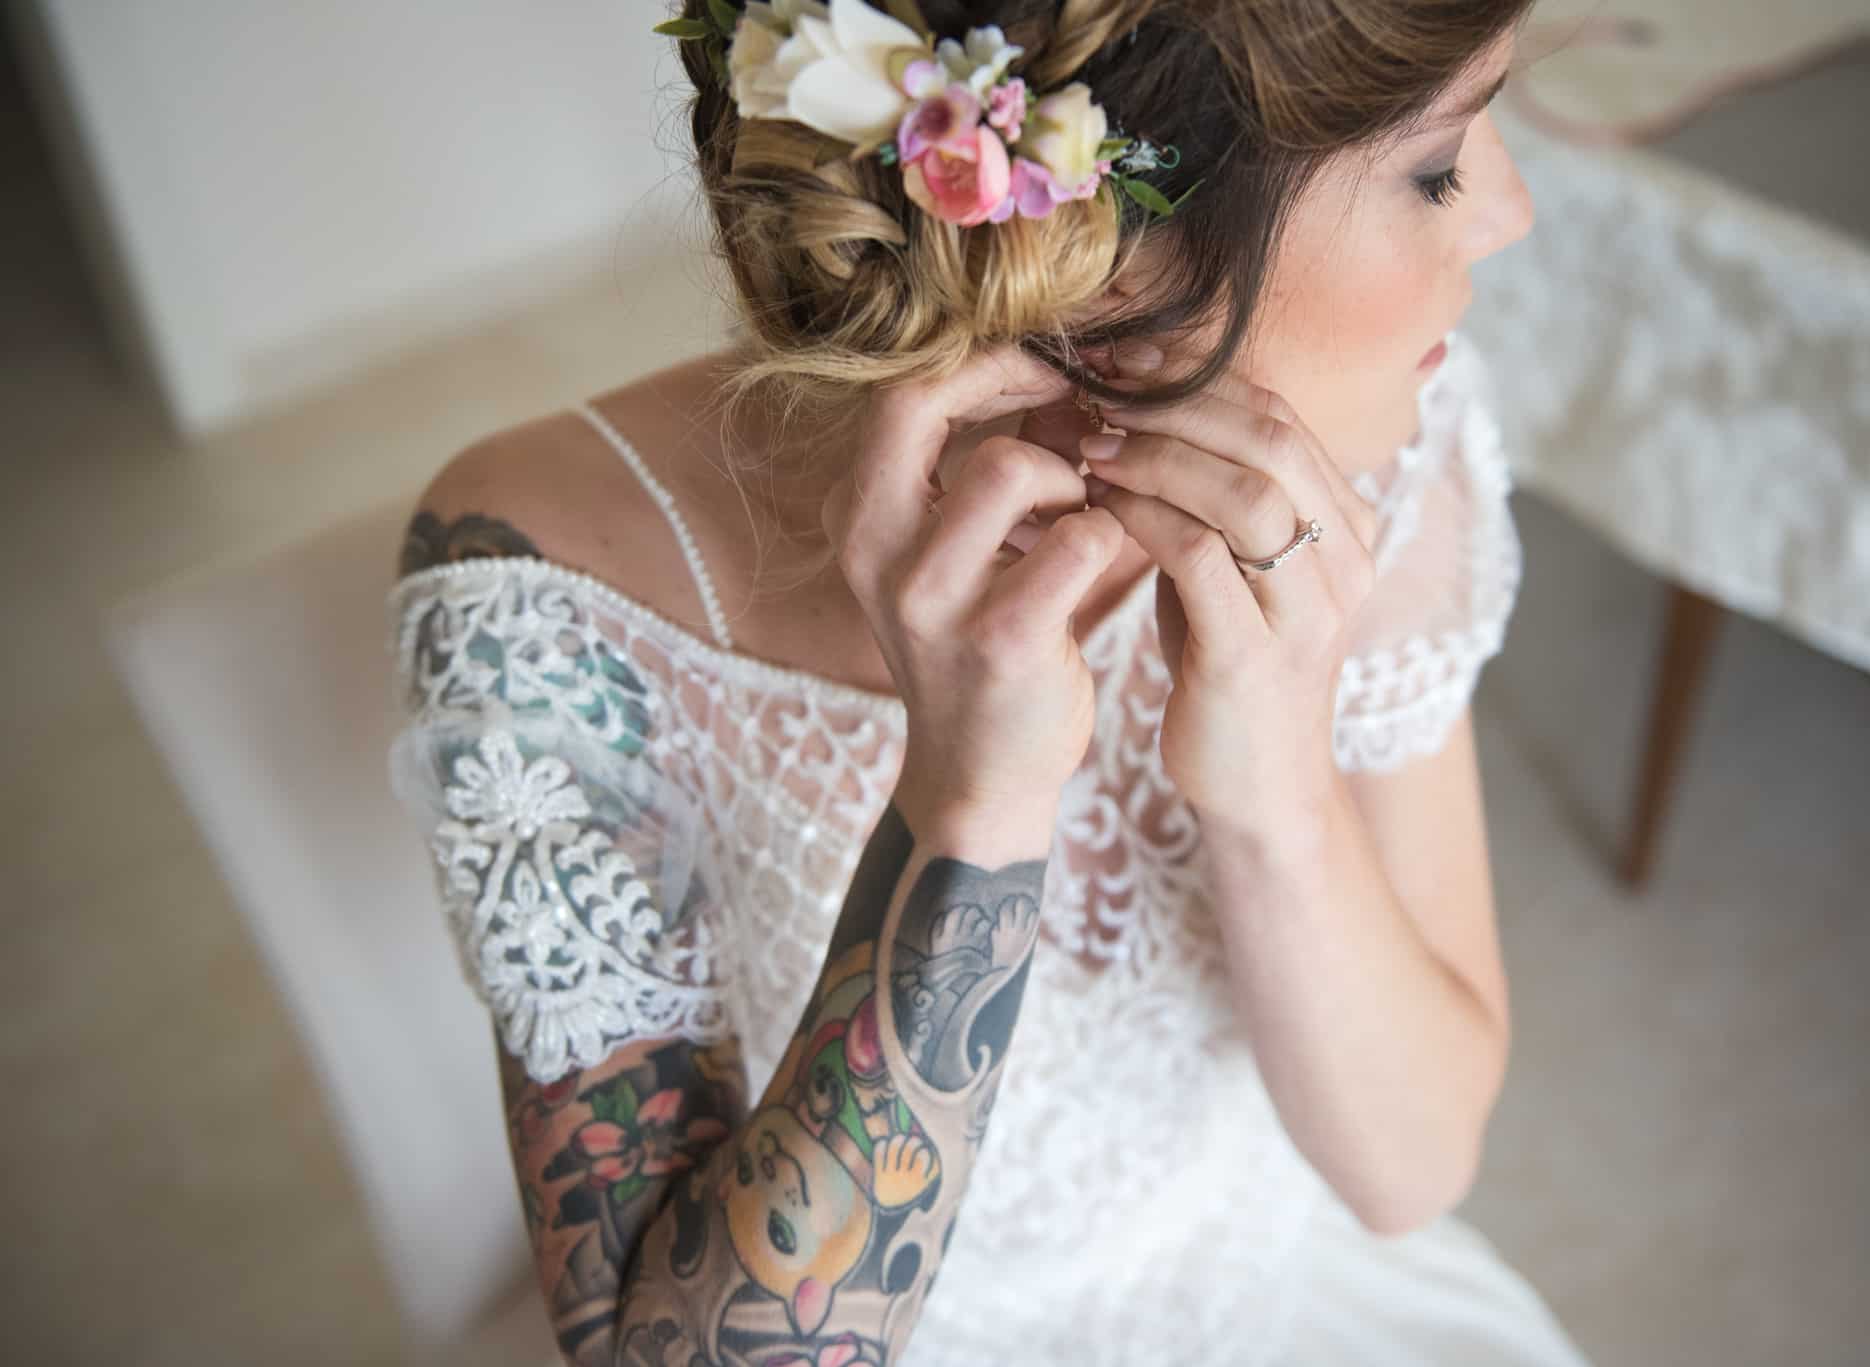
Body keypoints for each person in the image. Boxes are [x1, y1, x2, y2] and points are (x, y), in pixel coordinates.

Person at [386, 0, 1589, 1363]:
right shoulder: (547, 582)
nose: (1508, 213)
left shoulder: (1358, 462)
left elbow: (1410, 1173)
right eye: (1437, 167)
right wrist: (970, 806)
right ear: (1108, 256)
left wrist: (1276, 791)